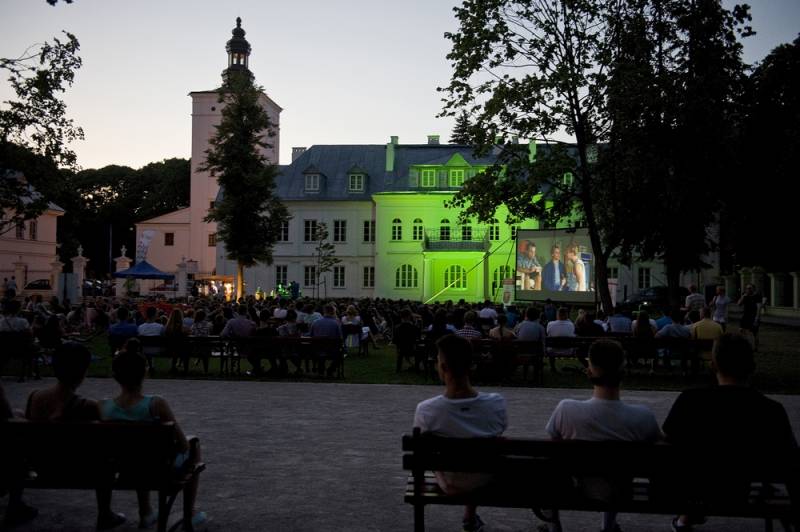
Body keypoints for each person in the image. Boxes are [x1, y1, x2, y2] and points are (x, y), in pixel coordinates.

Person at [663, 333, 797, 531]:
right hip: (740, 490)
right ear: (751, 366)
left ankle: (685, 518)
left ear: (713, 365)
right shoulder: (771, 411)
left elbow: (668, 443)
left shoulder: (689, 401)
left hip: (696, 491)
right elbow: (791, 459)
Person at [545, 339, 660, 532]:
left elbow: (553, 448)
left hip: (576, 489)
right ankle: (608, 526)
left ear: (589, 372)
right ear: (623, 372)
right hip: (621, 491)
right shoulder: (643, 417)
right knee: (616, 474)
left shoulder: (566, 409)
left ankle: (554, 526)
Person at [101, 344, 206, 529]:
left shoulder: (103, 407)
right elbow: (183, 445)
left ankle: (146, 511)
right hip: (157, 467)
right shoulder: (156, 404)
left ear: (115, 376)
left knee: (136, 451)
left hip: (121, 466)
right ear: (145, 373)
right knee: (193, 446)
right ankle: (189, 513)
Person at [25, 342, 127, 530]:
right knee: (107, 458)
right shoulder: (88, 406)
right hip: (81, 469)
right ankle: (105, 513)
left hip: (42, 466)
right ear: (83, 371)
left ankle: (15, 504)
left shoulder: (35, 397)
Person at [413, 334, 507, 532]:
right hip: (486, 477)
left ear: (443, 367)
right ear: (471, 365)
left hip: (450, 482)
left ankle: (469, 516)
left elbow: (421, 449)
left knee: (430, 455)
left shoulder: (427, 410)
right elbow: (499, 430)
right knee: (480, 452)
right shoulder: (496, 403)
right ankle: (470, 516)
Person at [309, 304, 343, 376]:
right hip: (331, 350)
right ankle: (330, 369)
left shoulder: (315, 322)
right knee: (341, 354)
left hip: (317, 349)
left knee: (321, 350)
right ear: (333, 312)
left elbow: (311, 336)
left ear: (324, 311)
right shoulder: (336, 323)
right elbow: (340, 338)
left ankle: (321, 369)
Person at [137, 306, 165, 375]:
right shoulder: (160, 327)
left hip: (143, 349)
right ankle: (151, 366)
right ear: (155, 314)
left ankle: (150, 366)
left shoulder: (140, 327)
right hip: (157, 350)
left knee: (148, 348)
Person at [393, 308, 421, 372]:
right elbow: (418, 338)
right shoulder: (414, 327)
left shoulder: (397, 327)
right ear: (409, 316)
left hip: (401, 349)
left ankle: (400, 367)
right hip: (412, 349)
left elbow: (395, 340)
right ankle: (416, 366)